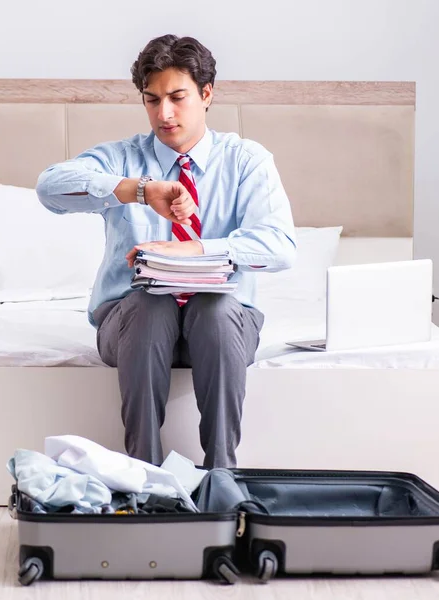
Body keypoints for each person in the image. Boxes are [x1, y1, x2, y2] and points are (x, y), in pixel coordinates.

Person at [36, 34, 296, 468]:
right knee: (149, 304)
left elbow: (280, 246)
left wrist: (195, 250)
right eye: (152, 100)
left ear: (206, 94)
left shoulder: (246, 160)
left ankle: (221, 472)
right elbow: (50, 188)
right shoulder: (121, 158)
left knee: (214, 308)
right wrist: (137, 189)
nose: (165, 113)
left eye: (178, 97)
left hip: (222, 327)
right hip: (132, 327)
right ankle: (143, 473)